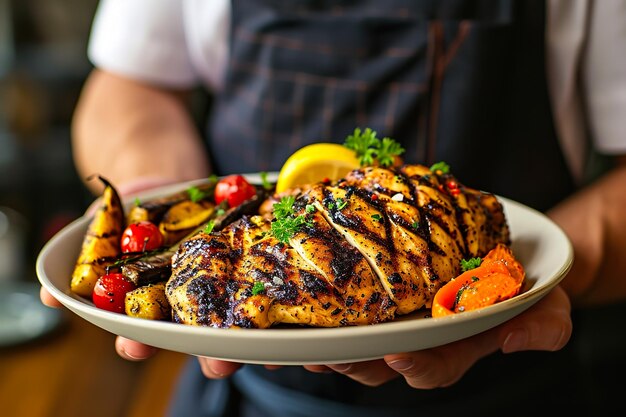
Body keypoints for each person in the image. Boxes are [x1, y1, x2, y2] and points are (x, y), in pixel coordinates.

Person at [41, 0, 626, 415]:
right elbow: (131, 84)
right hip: (238, 395)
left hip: (514, 391)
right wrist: (153, 193)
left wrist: (549, 275)